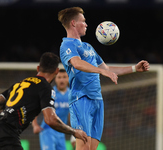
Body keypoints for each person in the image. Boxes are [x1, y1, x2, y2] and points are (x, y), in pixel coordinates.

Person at [58, 7, 150, 150]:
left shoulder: (88, 47)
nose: (86, 24)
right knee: (82, 147)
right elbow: (76, 63)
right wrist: (101, 71)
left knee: (92, 148)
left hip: (97, 100)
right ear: (73, 23)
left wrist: (134, 69)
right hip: (81, 99)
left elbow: (107, 69)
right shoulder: (67, 44)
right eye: (83, 21)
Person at [0, 52, 87, 150]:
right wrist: (74, 132)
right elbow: (50, 120)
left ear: (38, 68)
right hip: (7, 138)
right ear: (56, 71)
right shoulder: (46, 88)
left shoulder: (19, 84)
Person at [32, 69, 76, 150]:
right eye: (59, 77)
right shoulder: (49, 93)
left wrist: (74, 134)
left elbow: (71, 115)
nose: (61, 80)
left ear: (68, 78)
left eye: (64, 77)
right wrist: (35, 125)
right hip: (47, 130)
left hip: (61, 131)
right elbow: (35, 109)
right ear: (55, 78)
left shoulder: (71, 95)